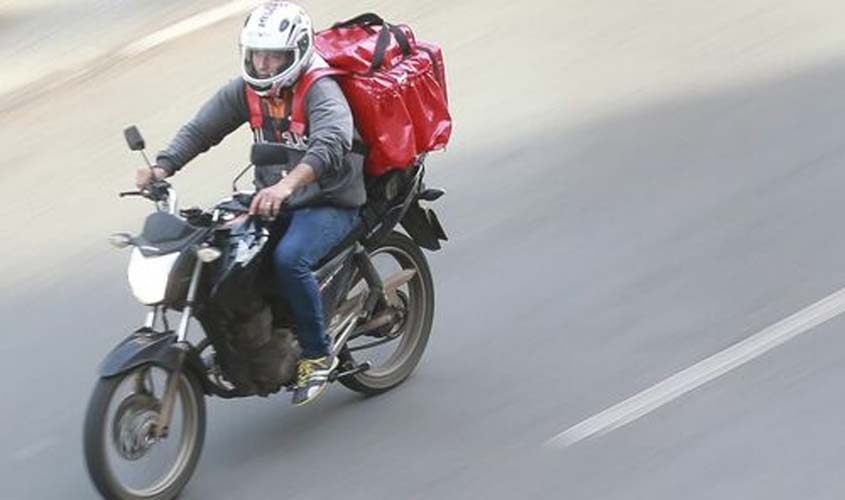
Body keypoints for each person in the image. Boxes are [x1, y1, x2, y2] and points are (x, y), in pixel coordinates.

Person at [135, 1, 366, 406]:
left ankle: (317, 353)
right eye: (257, 54)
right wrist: (162, 166)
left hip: (329, 199)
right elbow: (203, 128)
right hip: (271, 197)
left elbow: (331, 143)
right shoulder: (248, 89)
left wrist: (288, 186)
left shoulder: (320, 88)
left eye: (273, 54)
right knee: (224, 253)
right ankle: (253, 339)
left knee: (289, 259)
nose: (263, 64)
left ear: (296, 52)